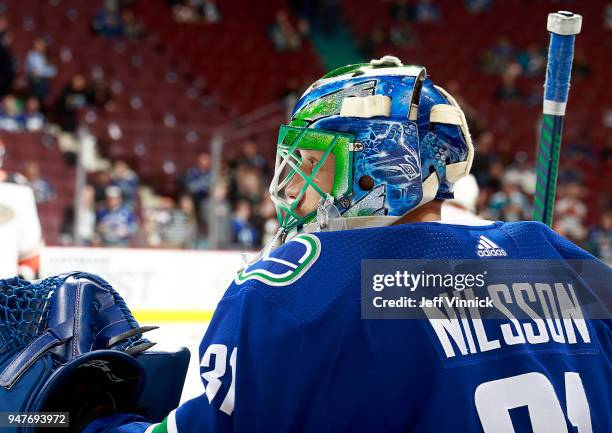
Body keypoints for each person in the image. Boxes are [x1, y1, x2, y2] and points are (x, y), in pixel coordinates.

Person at [64, 57, 612, 432]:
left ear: (377, 170)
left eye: (310, 165)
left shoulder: (301, 288)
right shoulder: (556, 259)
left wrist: (84, 416)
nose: (293, 191)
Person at [0, 142, 43, 279]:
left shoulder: (20, 192)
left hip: (6, 281)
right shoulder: (21, 193)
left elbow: (31, 250)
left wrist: (23, 277)